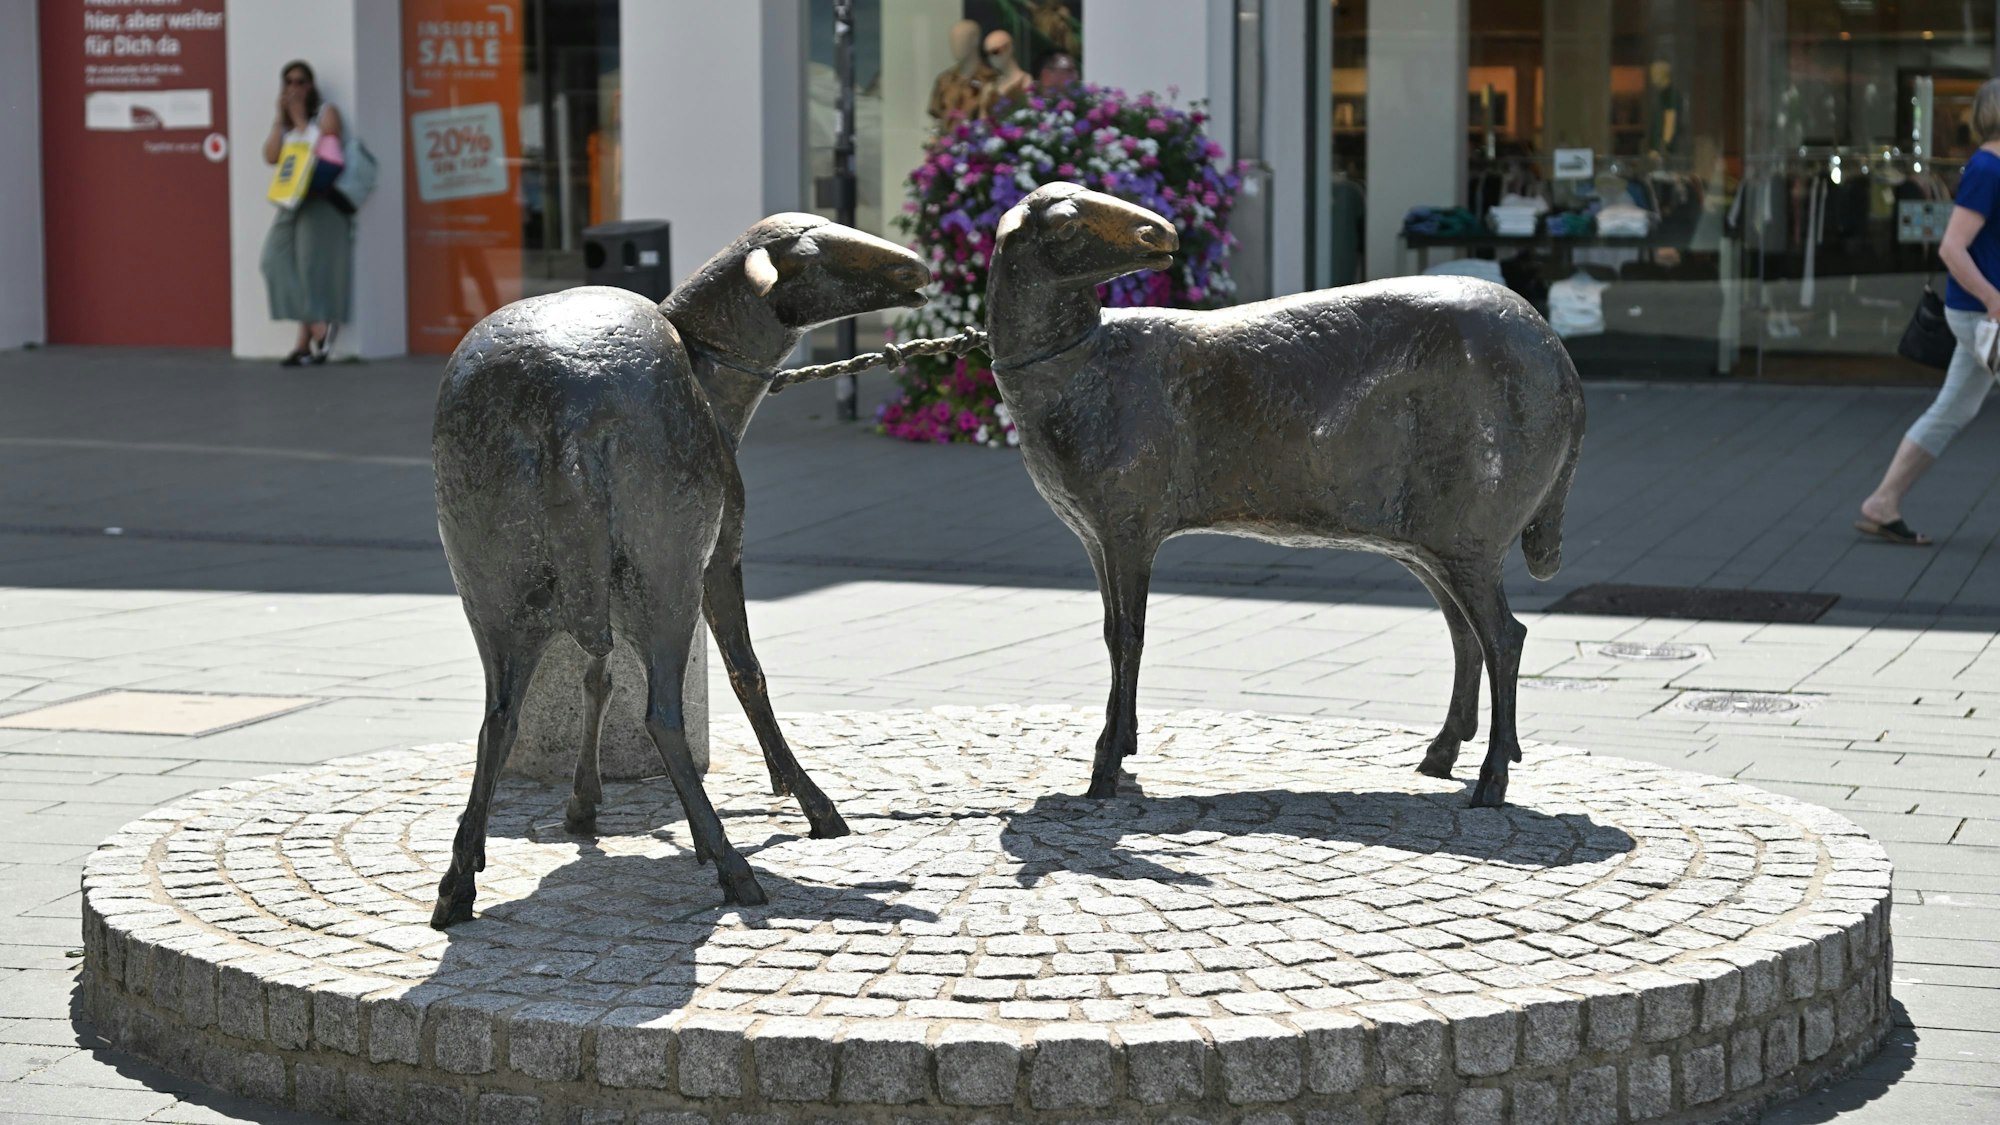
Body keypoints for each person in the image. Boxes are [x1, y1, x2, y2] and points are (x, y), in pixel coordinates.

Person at [1858, 77, 2000, 545]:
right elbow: (1951, 248)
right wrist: (1993, 299)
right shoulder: (1986, 169)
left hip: (1982, 315)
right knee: (1952, 408)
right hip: (1984, 316)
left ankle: (1882, 503)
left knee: (1953, 408)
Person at [259, 60, 352, 367]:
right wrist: (280, 118)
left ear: (311, 85)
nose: (294, 88)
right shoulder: (285, 122)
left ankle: (303, 345)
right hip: (290, 198)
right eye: (288, 82)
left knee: (307, 270)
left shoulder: (326, 112)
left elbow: (325, 144)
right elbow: (271, 156)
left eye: (300, 81)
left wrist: (300, 120)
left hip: (317, 197)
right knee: (273, 261)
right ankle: (318, 327)